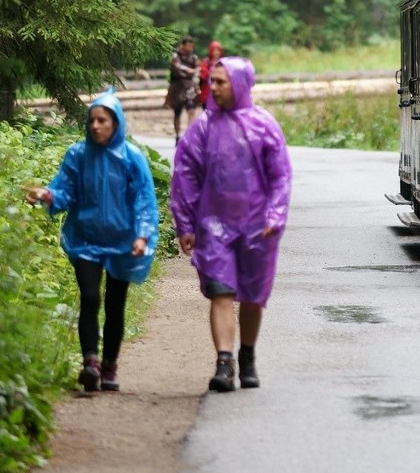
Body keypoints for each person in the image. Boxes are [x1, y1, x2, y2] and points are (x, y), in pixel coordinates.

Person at [24, 89, 159, 393]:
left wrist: (142, 235)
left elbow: (143, 201)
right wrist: (47, 195)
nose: (96, 126)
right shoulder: (78, 155)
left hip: (123, 242)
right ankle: (90, 364)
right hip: (85, 240)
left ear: (116, 123)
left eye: (103, 120)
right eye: (92, 120)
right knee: (89, 298)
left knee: (115, 305)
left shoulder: (131, 158)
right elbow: (65, 191)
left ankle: (110, 365)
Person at [170, 57, 292, 393]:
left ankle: (247, 356)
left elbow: (280, 176)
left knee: (252, 296)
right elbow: (185, 177)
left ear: (239, 84)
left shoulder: (264, 126)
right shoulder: (203, 129)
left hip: (257, 227)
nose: (216, 88)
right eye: (215, 82)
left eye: (222, 82)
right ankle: (224, 363)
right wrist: (186, 223)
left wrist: (274, 215)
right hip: (214, 226)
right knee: (221, 291)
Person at [166, 34, 200, 140]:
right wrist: (189, 71)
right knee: (177, 113)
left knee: (191, 110)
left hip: (190, 88)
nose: (190, 48)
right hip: (178, 89)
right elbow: (177, 69)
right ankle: (177, 136)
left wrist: (193, 72)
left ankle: (190, 135)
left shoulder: (193, 57)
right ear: (183, 45)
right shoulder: (175, 56)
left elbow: (198, 69)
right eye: (188, 46)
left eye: (191, 46)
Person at [198, 39, 224, 111]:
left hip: (220, 94)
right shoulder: (206, 62)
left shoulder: (223, 62)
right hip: (207, 94)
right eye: (214, 50)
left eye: (218, 51)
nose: (216, 53)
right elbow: (203, 75)